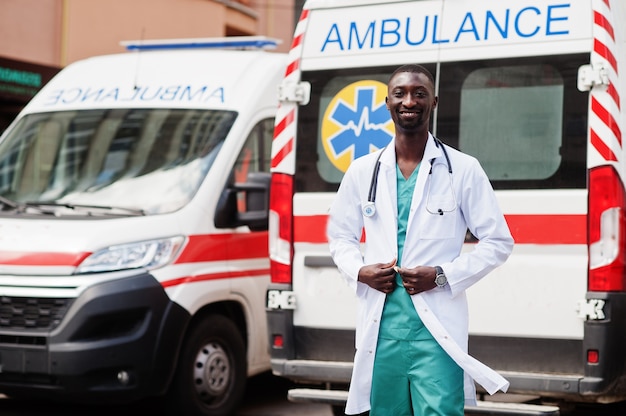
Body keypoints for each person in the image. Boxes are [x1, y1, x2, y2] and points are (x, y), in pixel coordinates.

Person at [327, 64, 514, 415]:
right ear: (387, 102)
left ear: (434, 102)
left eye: (419, 93)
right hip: (382, 332)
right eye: (400, 93)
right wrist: (360, 270)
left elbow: (498, 242)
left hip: (436, 331)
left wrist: (441, 275)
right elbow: (340, 236)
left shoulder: (463, 168)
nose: (408, 101)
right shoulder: (363, 171)